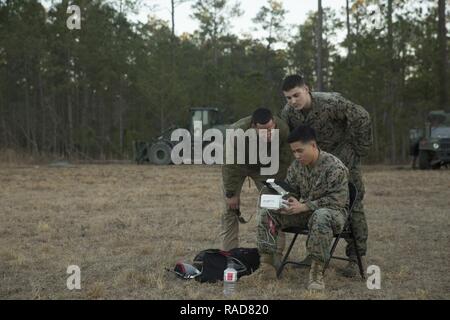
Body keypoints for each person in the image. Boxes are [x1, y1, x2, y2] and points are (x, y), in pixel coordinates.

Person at [280, 75, 372, 277]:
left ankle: (356, 259)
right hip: (315, 164)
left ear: (307, 89)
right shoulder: (289, 113)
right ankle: (315, 254)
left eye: (296, 95)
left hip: (343, 160)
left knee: (353, 206)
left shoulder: (331, 103)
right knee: (314, 204)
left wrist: (357, 150)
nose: (293, 101)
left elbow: (361, 116)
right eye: (288, 98)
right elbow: (286, 138)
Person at [256, 125, 349, 290]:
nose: (297, 156)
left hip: (333, 213)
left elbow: (337, 200)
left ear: (313, 145)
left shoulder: (335, 167)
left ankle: (316, 273)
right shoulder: (297, 166)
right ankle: (266, 266)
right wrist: (286, 202)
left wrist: (305, 206)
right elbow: (292, 191)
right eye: (293, 152)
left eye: (300, 151)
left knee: (321, 216)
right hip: (305, 212)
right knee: (267, 212)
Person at [221, 108, 292, 263]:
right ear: (253, 127)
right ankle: (230, 255)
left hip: (265, 168)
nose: (268, 134)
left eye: (270, 129)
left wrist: (275, 189)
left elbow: (285, 161)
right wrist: (231, 193)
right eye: (263, 131)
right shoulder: (237, 132)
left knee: (274, 207)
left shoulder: (282, 129)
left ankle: (274, 257)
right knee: (230, 210)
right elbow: (229, 165)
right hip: (239, 165)